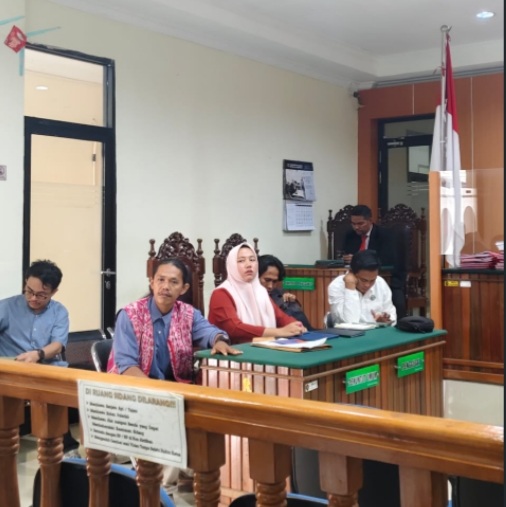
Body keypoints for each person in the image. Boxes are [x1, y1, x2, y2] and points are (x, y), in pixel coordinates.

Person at [107, 257, 241, 495]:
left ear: (184, 288)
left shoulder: (188, 314)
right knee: (165, 418)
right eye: (160, 280)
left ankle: (207, 475)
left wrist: (219, 341)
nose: (165, 287)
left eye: (173, 282)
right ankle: (162, 492)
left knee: (214, 414)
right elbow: (126, 366)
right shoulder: (129, 315)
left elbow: (210, 332)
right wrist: (161, 395)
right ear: (151, 282)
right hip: (134, 390)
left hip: (176, 390)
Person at [0, 259, 80, 455]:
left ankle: (65, 448)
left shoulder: (59, 312)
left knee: (54, 390)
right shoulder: (7, 307)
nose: (33, 298)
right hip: (13, 371)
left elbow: (57, 345)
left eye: (41, 295)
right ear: (25, 283)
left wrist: (38, 354)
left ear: (54, 292)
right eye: (29, 291)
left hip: (45, 369)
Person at [208, 243, 306, 344]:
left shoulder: (260, 291)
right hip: (232, 350)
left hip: (263, 347)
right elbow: (234, 329)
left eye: (252, 260)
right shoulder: (221, 293)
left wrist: (296, 326)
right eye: (241, 261)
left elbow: (281, 317)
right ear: (232, 265)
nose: (249, 265)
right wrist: (280, 332)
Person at [342, 204, 406, 318]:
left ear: (370, 221)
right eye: (353, 224)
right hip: (356, 278)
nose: (356, 227)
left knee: (398, 302)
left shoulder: (386, 235)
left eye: (360, 223)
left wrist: (358, 258)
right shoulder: (350, 235)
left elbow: (387, 259)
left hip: (386, 277)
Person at [328, 250, 397, 326]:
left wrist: (385, 321)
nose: (367, 285)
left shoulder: (380, 283)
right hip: (346, 332)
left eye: (372, 280)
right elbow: (350, 322)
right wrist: (350, 287)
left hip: (375, 331)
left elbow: (392, 318)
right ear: (352, 272)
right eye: (364, 280)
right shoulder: (337, 286)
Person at [258, 254, 314, 331]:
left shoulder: (281, 295)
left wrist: (288, 303)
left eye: (274, 281)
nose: (270, 286)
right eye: (267, 280)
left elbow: (304, 327)